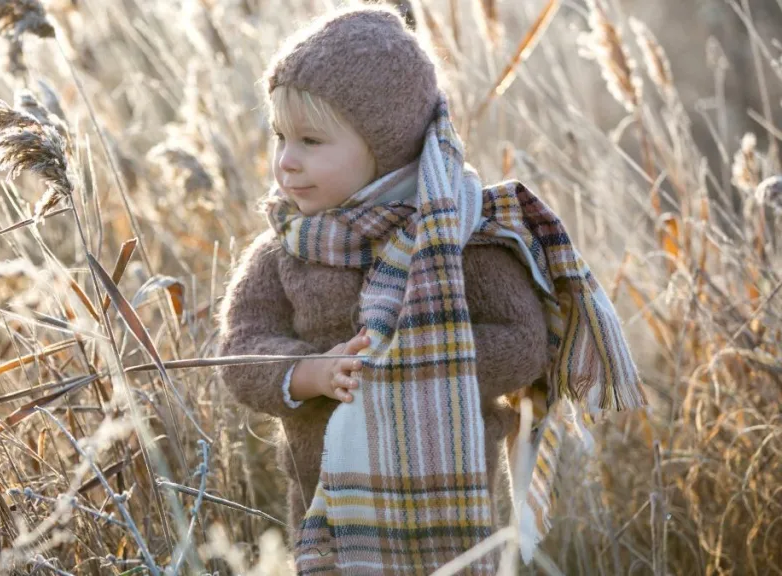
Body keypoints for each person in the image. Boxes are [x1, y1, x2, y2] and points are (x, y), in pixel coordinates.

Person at [216, 5, 644, 573]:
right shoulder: (284, 250)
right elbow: (240, 349)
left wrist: (412, 364)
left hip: (453, 498)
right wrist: (309, 371)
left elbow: (522, 341)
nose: (285, 163)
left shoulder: (459, 239)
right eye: (280, 137)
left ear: (387, 146)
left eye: (311, 140)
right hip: (330, 509)